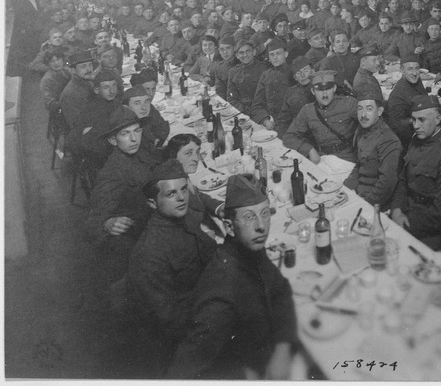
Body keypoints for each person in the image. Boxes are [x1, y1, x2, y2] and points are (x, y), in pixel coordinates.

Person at [167, 174, 297, 379]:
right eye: (249, 217)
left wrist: (282, 348)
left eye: (264, 213)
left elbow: (280, 288)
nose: (261, 225)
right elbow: (185, 368)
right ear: (229, 226)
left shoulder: (250, 247)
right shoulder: (222, 290)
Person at [126, 160, 218, 360]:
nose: (182, 198)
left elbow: (209, 255)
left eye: (184, 190)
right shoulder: (149, 253)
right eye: (171, 194)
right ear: (152, 203)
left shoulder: (182, 221)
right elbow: (170, 319)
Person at [85, 106, 158, 284]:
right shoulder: (112, 173)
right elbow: (91, 223)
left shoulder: (142, 153)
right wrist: (107, 223)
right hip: (142, 235)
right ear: (112, 140)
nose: (134, 139)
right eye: (125, 134)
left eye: (137, 131)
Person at [390, 95, 441, 250]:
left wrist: (404, 222)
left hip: (430, 231)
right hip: (405, 213)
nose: (416, 126)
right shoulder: (415, 139)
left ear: (437, 119)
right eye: (413, 119)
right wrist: (396, 210)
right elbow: (403, 181)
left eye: (422, 120)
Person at [282, 70, 357, 164]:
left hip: (347, 159)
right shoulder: (307, 111)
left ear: (334, 88)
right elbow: (288, 137)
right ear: (313, 91)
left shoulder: (349, 103)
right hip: (322, 159)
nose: (325, 94)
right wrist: (309, 150)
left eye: (328, 89)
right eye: (320, 90)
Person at [343, 89, 402, 208]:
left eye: (369, 109)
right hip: (359, 193)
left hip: (375, 202)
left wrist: (363, 204)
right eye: (360, 109)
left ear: (380, 111)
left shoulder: (388, 140)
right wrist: (345, 189)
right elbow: (360, 165)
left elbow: (386, 185)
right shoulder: (362, 129)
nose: (363, 115)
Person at [250, 39, 293, 128]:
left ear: (286, 54)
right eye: (272, 54)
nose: (275, 57)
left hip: (290, 124)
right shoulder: (266, 75)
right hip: (271, 122)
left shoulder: (294, 73)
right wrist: (265, 120)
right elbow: (257, 105)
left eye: (278, 53)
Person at [386, 54, 428, 145]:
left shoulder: (416, 81)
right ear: (402, 70)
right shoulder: (398, 94)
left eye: (417, 68)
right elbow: (396, 124)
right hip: (411, 139)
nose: (414, 73)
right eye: (410, 69)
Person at [274, 56, 315, 135]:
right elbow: (283, 119)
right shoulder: (290, 92)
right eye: (298, 73)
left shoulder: (321, 89)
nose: (302, 75)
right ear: (295, 77)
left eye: (306, 71)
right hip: (298, 134)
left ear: (313, 72)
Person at [226, 40, 267, 115]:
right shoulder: (233, 72)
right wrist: (244, 111)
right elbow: (231, 97)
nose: (245, 55)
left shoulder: (265, 69)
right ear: (237, 56)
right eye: (241, 53)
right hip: (243, 111)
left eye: (248, 51)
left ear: (254, 52)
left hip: (262, 111)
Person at [59, 50, 97, 128]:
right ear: (73, 70)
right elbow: (79, 125)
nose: (88, 69)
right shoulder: (71, 94)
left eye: (90, 65)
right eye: (83, 66)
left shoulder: (87, 81)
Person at [124, 85, 170, 150]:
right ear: (126, 107)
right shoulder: (127, 132)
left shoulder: (144, 120)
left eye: (147, 102)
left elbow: (163, 127)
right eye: (137, 103)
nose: (144, 107)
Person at [40, 47, 71, 113]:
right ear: (48, 64)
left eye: (58, 59)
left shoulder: (67, 72)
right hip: (59, 113)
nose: (56, 63)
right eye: (52, 61)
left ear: (63, 59)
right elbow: (49, 104)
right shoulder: (47, 80)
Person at [210, 36, 237, 100]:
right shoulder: (219, 68)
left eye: (228, 48)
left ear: (234, 48)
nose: (225, 52)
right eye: (222, 49)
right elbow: (220, 91)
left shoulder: (241, 63)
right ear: (219, 51)